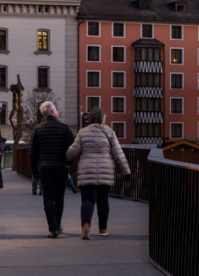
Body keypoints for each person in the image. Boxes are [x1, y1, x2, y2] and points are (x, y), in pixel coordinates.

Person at [66, 107, 130, 240]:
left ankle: (85, 225)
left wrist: (65, 156)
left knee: (88, 200)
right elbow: (118, 153)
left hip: (86, 170)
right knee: (103, 200)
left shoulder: (82, 132)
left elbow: (72, 152)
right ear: (103, 119)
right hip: (105, 170)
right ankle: (103, 229)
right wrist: (126, 171)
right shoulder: (110, 132)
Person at [30, 101, 74, 238]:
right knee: (59, 197)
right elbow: (73, 148)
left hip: (44, 167)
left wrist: (34, 171)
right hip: (61, 167)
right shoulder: (65, 128)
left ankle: (52, 228)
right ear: (53, 112)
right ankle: (57, 224)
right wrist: (68, 162)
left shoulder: (37, 129)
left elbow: (33, 153)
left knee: (48, 198)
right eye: (56, 108)